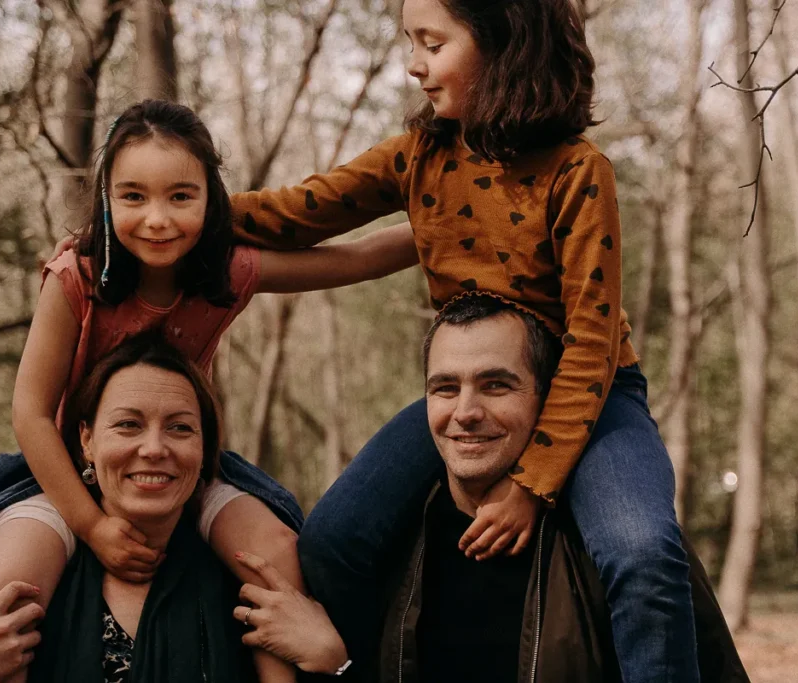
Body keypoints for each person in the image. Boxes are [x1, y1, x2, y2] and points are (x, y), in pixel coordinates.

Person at [226, 1, 699, 681]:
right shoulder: (420, 155)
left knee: (643, 549)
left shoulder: (576, 171)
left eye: (433, 43)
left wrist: (531, 486)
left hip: (587, 393)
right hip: (474, 387)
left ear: (504, 44)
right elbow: (297, 212)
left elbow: (592, 340)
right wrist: (179, 209)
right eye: (410, 42)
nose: (414, 63)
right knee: (333, 538)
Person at [0, 100, 418, 683]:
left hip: (185, 465)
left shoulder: (224, 273)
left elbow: (355, 259)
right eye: (133, 197)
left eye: (181, 197)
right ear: (107, 199)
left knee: (271, 553)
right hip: (69, 473)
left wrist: (453, 220)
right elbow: (31, 413)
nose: (157, 219)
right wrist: (91, 526)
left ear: (212, 200)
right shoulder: (77, 279)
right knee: (8, 585)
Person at [231, 295, 749, 683]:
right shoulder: (382, 542)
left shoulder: (617, 538)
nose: (466, 413)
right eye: (445, 388)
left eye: (497, 385)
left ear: (549, 401)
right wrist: (336, 664)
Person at [0, 332, 338, 682]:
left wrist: (336, 664)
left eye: (180, 428)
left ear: (203, 449)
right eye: (128, 424)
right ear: (87, 441)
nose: (154, 449)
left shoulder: (243, 585)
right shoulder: (34, 577)